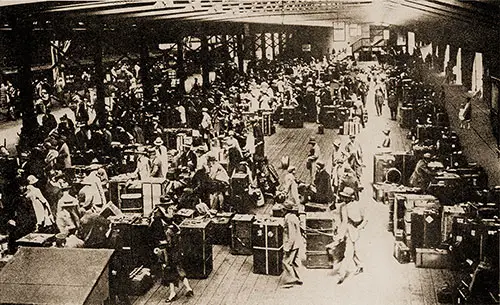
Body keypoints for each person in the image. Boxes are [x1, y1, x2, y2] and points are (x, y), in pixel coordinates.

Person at [150, 206, 194, 302]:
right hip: (177, 252)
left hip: (169, 253)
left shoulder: (166, 230)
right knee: (179, 269)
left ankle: (172, 293)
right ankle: (188, 288)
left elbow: (166, 243)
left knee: (169, 272)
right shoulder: (174, 226)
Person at [336, 187, 367, 284]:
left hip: (352, 231)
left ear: (350, 198)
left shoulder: (346, 207)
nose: (344, 199)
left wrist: (340, 235)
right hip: (353, 231)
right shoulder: (349, 206)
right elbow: (364, 219)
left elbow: (344, 222)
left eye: (345, 197)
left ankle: (342, 275)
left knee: (350, 252)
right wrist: (359, 227)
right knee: (352, 250)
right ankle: (358, 266)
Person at [281, 200, 303, 288]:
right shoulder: (294, 217)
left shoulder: (289, 219)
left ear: (286, 210)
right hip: (297, 243)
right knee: (295, 262)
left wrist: (287, 247)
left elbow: (292, 235)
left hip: (292, 244)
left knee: (286, 262)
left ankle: (291, 280)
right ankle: (299, 278)